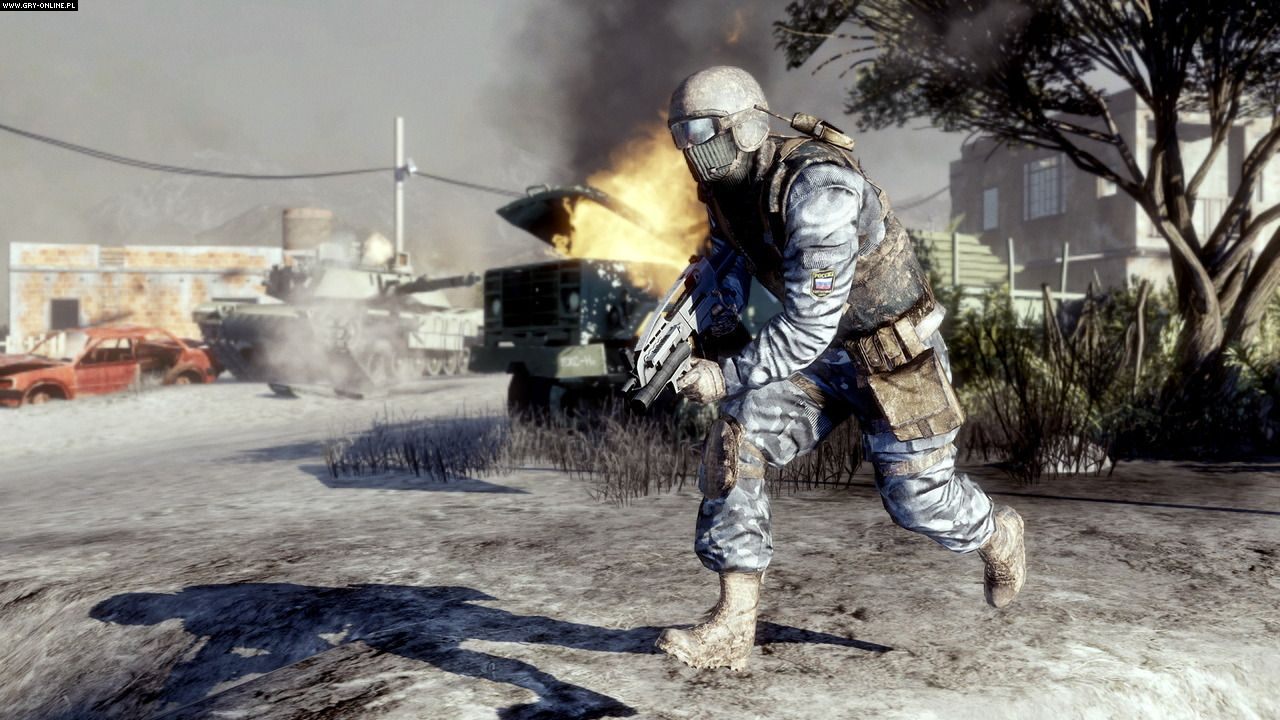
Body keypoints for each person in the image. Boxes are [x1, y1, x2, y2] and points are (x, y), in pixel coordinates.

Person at [655, 66, 1027, 671]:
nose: (692, 149)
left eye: (703, 132)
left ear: (747, 126)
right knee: (736, 439)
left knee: (917, 500)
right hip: (825, 363)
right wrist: (692, 321)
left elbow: (807, 324)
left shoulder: (819, 189)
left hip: (896, 360)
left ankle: (996, 534)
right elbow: (726, 259)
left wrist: (723, 375)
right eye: (681, 135)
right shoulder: (726, 190)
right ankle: (733, 624)